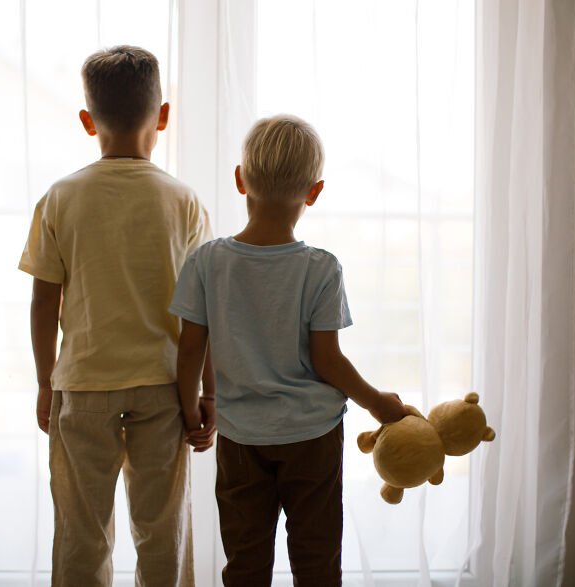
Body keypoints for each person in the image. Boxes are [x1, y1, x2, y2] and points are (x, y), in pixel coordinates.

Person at [169, 115, 408, 586]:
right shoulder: (321, 269)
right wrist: (378, 403)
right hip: (312, 438)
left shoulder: (207, 262)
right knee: (317, 560)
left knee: (246, 562)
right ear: (314, 192)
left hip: (241, 438)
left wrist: (193, 410)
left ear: (241, 180)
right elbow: (328, 360)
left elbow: (191, 349)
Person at [18, 45, 214, 587]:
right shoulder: (184, 201)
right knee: (164, 532)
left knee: (81, 531)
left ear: (88, 121)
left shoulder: (60, 197)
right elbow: (204, 313)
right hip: (164, 387)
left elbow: (43, 302)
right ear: (164, 116)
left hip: (81, 386)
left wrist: (44, 383)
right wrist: (208, 394)